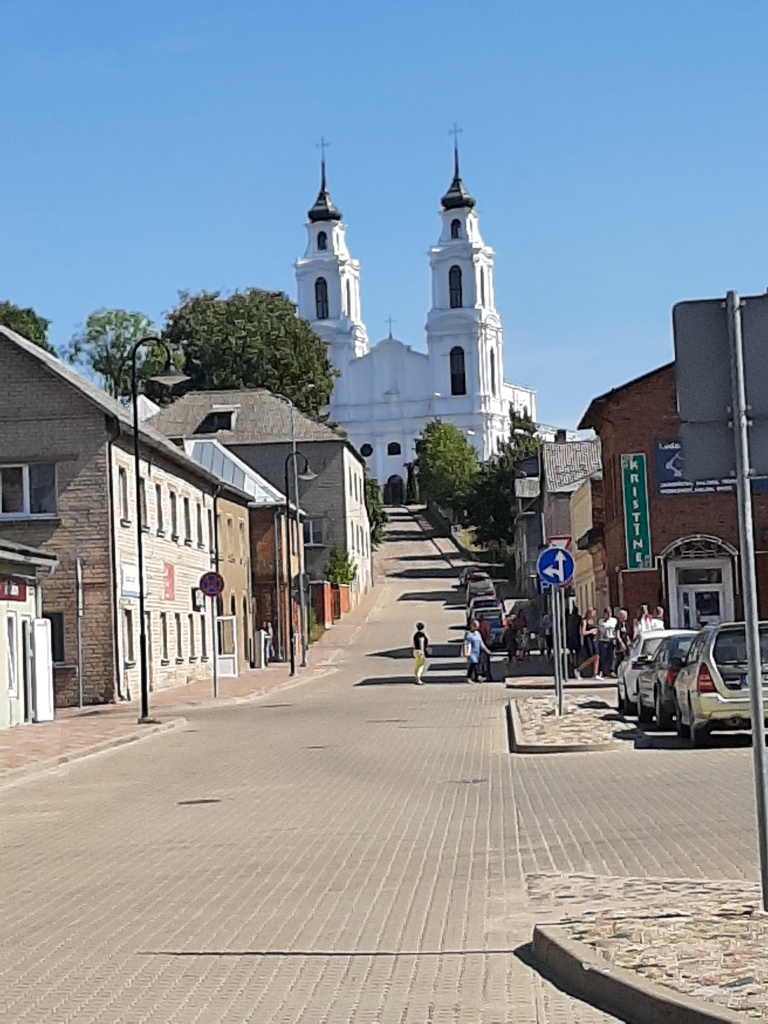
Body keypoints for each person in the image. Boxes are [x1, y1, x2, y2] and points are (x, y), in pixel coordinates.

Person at [576, 608, 600, 679]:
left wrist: (596, 633)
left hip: (594, 640)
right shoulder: (584, 621)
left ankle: (595, 674)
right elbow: (582, 633)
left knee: (597, 656)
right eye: (592, 613)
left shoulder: (593, 621)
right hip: (588, 640)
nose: (593, 614)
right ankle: (578, 669)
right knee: (591, 658)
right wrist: (591, 631)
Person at [597, 608, 616, 678]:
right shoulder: (601, 621)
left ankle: (611, 670)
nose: (608, 615)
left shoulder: (614, 620)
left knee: (612, 656)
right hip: (603, 640)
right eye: (607, 613)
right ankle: (604, 671)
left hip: (611, 640)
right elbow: (599, 631)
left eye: (610, 613)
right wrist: (597, 639)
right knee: (604, 656)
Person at [566, 605, 583, 678]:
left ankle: (572, 661)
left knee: (571, 650)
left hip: (570, 635)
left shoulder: (569, 618)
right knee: (577, 650)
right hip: (576, 635)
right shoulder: (578, 618)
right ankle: (576, 662)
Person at [614, 608, 631, 673]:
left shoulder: (625, 624)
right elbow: (618, 636)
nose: (626, 616)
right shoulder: (618, 625)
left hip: (626, 642)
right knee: (619, 658)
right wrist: (622, 644)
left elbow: (626, 634)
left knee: (626, 657)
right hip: (620, 644)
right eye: (625, 615)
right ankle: (616, 671)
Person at [477, 613, 492, 680]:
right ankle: (485, 674)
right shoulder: (485, 625)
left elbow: (486, 634)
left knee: (483, 660)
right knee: (483, 660)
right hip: (483, 644)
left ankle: (484, 674)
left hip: (483, 644)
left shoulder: (482, 625)